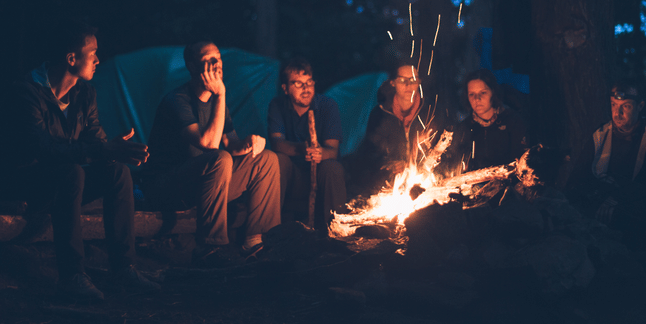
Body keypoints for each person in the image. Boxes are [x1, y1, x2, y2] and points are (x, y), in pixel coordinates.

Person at [0, 19, 159, 300]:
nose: (98, 60)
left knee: (116, 173)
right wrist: (102, 150)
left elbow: (93, 140)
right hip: (17, 182)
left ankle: (124, 268)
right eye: (93, 53)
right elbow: (42, 148)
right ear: (71, 58)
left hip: (58, 181)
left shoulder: (84, 94)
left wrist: (114, 151)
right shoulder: (26, 93)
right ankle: (72, 275)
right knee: (71, 172)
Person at [144, 40, 281, 266]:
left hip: (207, 185)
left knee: (266, 159)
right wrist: (220, 94)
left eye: (218, 58)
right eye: (209, 60)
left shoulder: (218, 103)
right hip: (169, 187)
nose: (217, 64)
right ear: (192, 66)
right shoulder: (177, 101)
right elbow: (208, 143)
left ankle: (256, 241)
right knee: (220, 158)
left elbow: (230, 142)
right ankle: (210, 247)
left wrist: (249, 143)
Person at [567, 79, 646, 248]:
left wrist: (617, 198)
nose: (617, 113)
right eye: (614, 105)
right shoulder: (601, 135)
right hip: (601, 200)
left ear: (640, 106)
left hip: (633, 205)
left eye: (626, 106)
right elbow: (578, 176)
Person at [267, 58, 347, 228]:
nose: (306, 88)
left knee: (332, 167)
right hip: (293, 176)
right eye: (298, 84)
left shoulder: (327, 106)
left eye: (309, 82)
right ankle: (270, 230)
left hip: (320, 173)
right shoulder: (278, 105)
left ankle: (336, 231)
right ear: (285, 88)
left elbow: (332, 150)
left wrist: (319, 153)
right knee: (277, 160)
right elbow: (277, 143)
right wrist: (301, 150)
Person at [351, 60, 438, 194]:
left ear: (419, 82)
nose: (408, 85)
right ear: (393, 82)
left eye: (413, 80)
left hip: (425, 179)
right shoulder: (380, 114)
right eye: (403, 80)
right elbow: (370, 153)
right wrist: (388, 163)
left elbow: (444, 147)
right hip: (391, 183)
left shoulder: (430, 112)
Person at [443, 69, 529, 174]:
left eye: (483, 93)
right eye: (471, 94)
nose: (477, 99)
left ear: (493, 92)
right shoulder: (464, 128)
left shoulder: (512, 122)